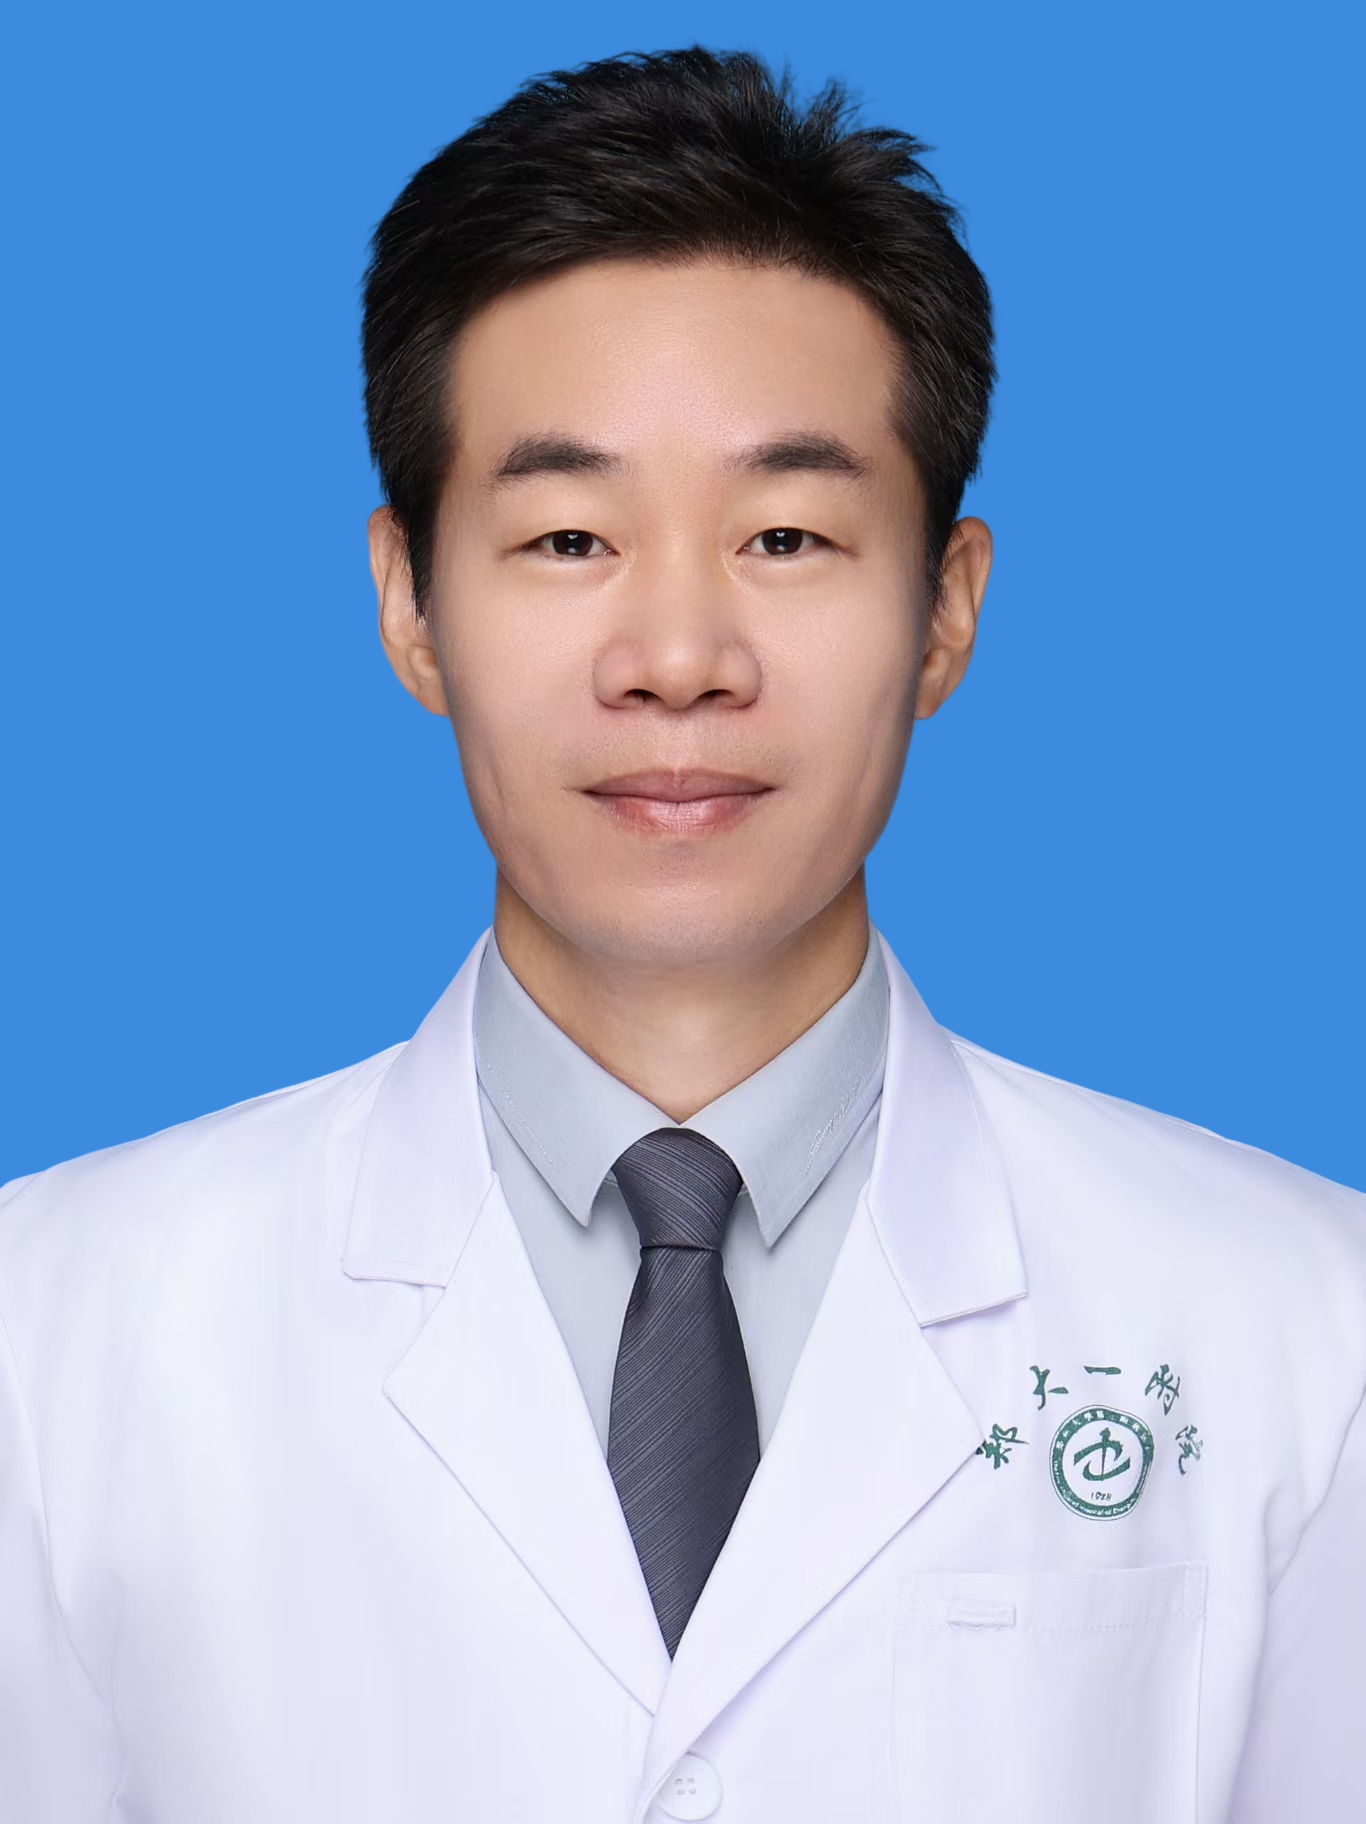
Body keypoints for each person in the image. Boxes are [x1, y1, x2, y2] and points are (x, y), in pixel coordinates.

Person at [1, 45, 1361, 1824]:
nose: (676, 659)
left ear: (944, 613)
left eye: (784, 535)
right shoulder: (55, 1327)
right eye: (569, 537)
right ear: (409, 605)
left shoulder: (1300, 1321)